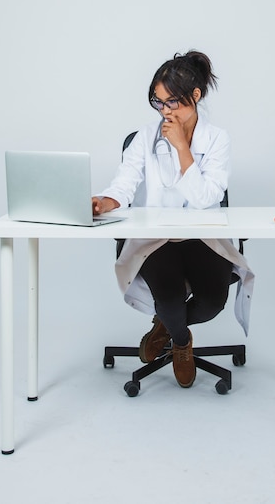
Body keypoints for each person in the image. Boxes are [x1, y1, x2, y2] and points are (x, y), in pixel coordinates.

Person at [92, 50, 254, 388]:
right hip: (157, 238)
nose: (165, 111)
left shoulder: (217, 140)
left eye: (172, 103)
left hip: (202, 235)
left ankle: (165, 326)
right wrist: (105, 202)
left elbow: (206, 198)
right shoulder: (144, 138)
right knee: (168, 299)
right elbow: (124, 183)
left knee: (212, 303)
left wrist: (182, 148)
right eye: (159, 102)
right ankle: (180, 342)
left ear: (195, 96)